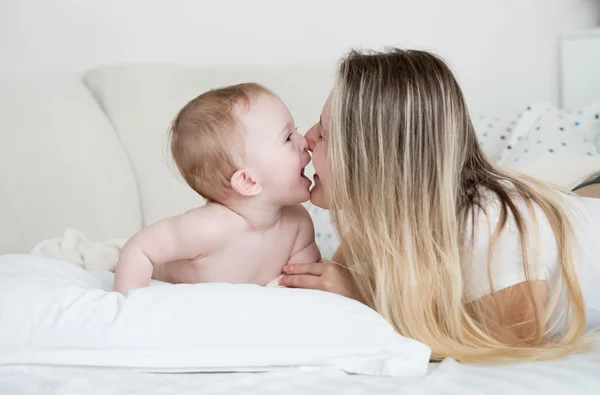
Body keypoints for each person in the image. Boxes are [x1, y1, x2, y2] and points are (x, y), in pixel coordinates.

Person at [280, 48, 600, 362]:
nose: (307, 137)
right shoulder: (381, 224)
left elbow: (516, 342)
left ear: (377, 161)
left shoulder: (489, 224)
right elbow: (338, 283)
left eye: (324, 133)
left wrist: (367, 299)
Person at [114, 83, 320, 293]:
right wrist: (132, 303)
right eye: (287, 138)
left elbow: (302, 283)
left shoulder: (298, 223)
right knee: (115, 255)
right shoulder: (209, 228)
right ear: (248, 181)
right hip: (162, 276)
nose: (304, 142)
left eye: (297, 132)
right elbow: (139, 248)